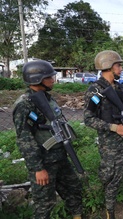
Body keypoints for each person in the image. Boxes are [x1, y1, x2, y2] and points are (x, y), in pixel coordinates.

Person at [13, 60, 83, 219]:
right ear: (37, 79)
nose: (53, 79)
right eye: (49, 77)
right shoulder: (25, 104)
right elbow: (25, 139)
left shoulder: (47, 98)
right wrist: (38, 168)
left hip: (60, 157)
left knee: (74, 191)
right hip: (44, 162)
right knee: (45, 205)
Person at [83, 50, 123, 219]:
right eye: (118, 66)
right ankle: (110, 214)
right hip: (112, 145)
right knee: (112, 180)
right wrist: (114, 127)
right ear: (108, 67)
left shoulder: (120, 88)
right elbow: (88, 119)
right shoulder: (95, 91)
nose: (121, 69)